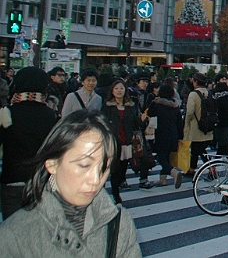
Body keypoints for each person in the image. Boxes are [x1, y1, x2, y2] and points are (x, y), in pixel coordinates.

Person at [0, 110, 142, 256]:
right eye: (84, 165)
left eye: (105, 167)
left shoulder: (119, 224)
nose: (96, 180)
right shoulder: (14, 235)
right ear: (52, 164)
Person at [0, 67, 59, 220]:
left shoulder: (7, 113)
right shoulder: (50, 115)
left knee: (13, 234)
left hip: (12, 181)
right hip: (41, 183)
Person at [101, 79, 154, 203]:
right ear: (112, 91)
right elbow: (102, 122)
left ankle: (116, 188)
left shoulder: (130, 106)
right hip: (113, 141)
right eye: (116, 88)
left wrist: (142, 120)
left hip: (127, 141)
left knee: (122, 169)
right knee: (114, 169)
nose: (119, 91)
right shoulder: (107, 106)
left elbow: (136, 124)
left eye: (121, 88)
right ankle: (115, 195)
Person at [143, 83, 183, 188]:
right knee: (167, 157)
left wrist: (152, 102)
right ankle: (162, 180)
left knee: (161, 158)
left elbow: (149, 113)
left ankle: (173, 172)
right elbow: (180, 122)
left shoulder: (157, 104)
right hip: (174, 134)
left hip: (161, 134)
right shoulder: (175, 105)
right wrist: (180, 137)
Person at [183, 73, 214, 174]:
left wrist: (186, 123)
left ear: (195, 82)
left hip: (196, 126)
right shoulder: (209, 93)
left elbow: (190, 111)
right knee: (199, 149)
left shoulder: (193, 94)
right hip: (208, 125)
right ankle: (193, 168)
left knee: (197, 149)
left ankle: (209, 168)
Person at [212, 79, 228, 156]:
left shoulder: (217, 100)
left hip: (221, 125)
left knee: (223, 147)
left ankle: (214, 164)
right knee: (225, 146)